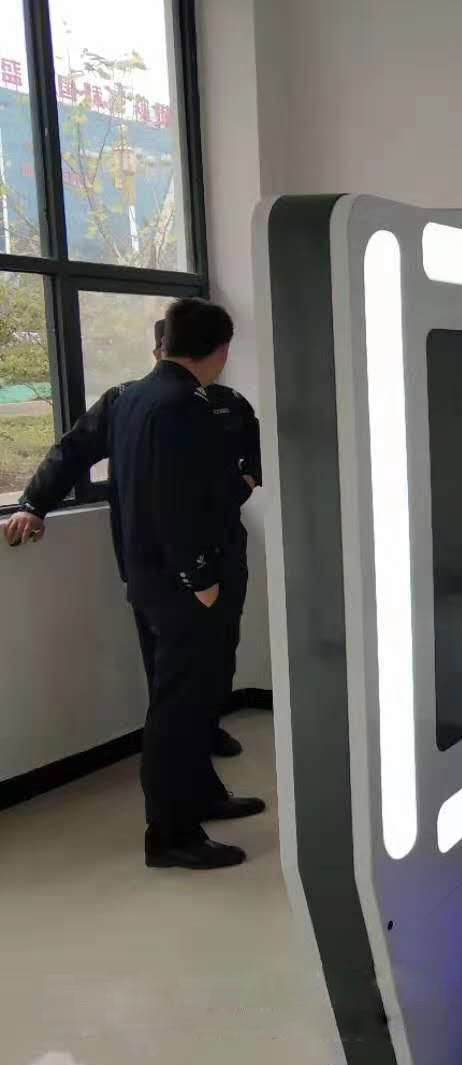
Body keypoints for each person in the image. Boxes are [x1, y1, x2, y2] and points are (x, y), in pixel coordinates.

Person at [4, 319, 262, 759]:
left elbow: (253, 456)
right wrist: (34, 503)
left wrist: (245, 482)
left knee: (220, 652)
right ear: (159, 350)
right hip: (159, 561)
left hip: (222, 551)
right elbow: (74, 450)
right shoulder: (127, 401)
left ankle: (205, 731)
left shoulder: (228, 404)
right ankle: (175, 769)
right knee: (168, 667)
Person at [112, 299, 264, 869]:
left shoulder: (134, 397)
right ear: (221, 350)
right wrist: (200, 578)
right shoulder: (181, 405)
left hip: (154, 577)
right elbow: (176, 504)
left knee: (194, 699)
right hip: (182, 585)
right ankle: (171, 834)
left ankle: (200, 796)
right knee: (177, 710)